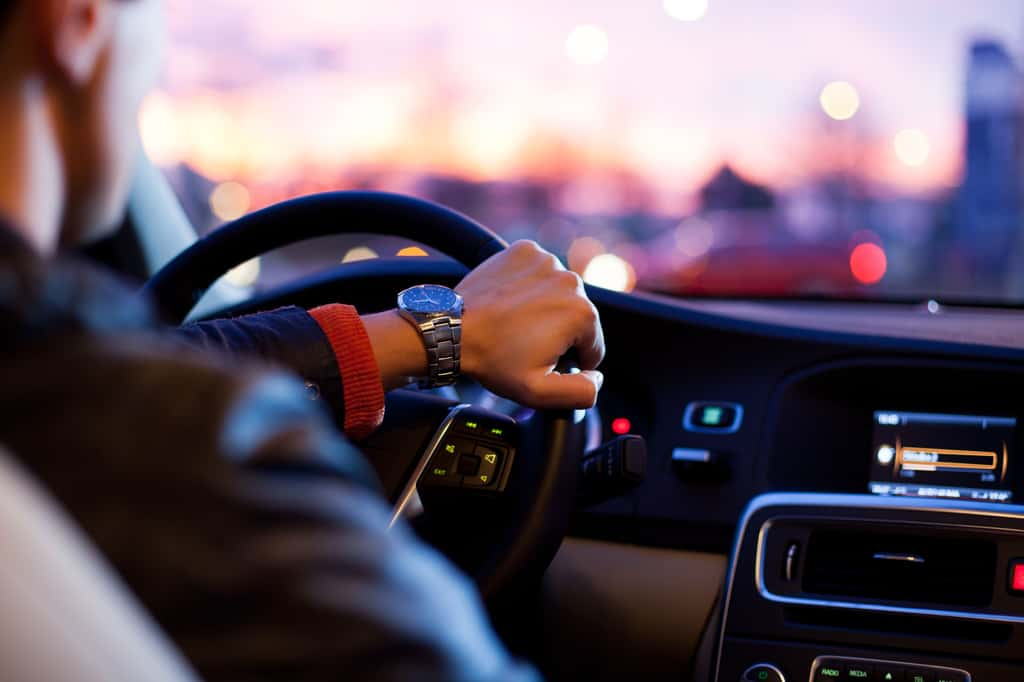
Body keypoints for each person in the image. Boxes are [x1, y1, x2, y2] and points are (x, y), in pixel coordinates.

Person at [0, 0, 605, 680]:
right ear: (77, 22)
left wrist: (435, 335)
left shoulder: (60, 384)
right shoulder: (189, 454)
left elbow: (156, 361)